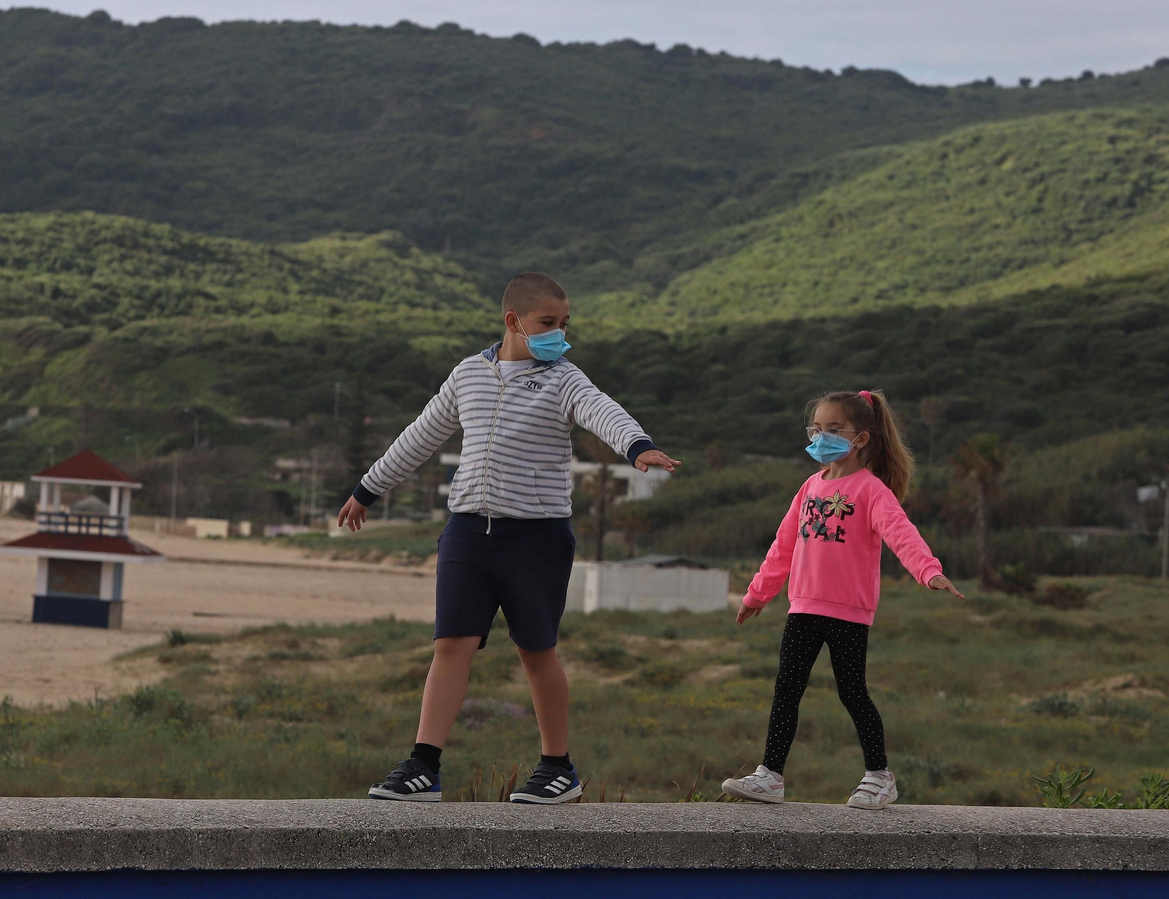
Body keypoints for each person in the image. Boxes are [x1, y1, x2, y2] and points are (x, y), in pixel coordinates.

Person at [339, 272, 680, 803]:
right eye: (547, 324)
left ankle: (557, 768)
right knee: (451, 644)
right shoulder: (468, 375)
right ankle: (423, 765)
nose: (558, 335)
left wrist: (638, 447)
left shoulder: (565, 378)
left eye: (565, 325)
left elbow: (602, 411)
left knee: (536, 650)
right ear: (513, 321)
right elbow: (420, 435)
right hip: (468, 533)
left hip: (536, 538)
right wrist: (367, 489)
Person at [721, 389, 964, 810]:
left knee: (852, 691)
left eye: (834, 429)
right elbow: (783, 547)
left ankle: (879, 776)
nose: (821, 437)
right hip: (803, 607)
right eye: (817, 429)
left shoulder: (871, 490)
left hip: (848, 612)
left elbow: (900, 532)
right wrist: (758, 593)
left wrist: (929, 571)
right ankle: (770, 775)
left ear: (861, 439)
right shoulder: (809, 487)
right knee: (786, 689)